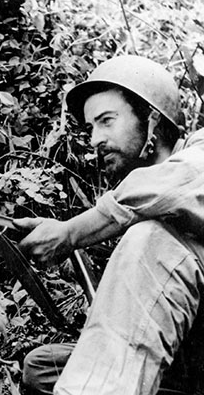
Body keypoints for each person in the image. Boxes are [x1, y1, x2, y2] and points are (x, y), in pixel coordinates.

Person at [14, 55, 204, 394]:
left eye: (107, 121)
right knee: (43, 367)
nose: (95, 140)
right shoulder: (137, 199)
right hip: (184, 361)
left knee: (152, 238)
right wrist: (60, 233)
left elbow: (175, 184)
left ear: (152, 121)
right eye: (91, 128)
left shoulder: (197, 153)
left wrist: (72, 232)